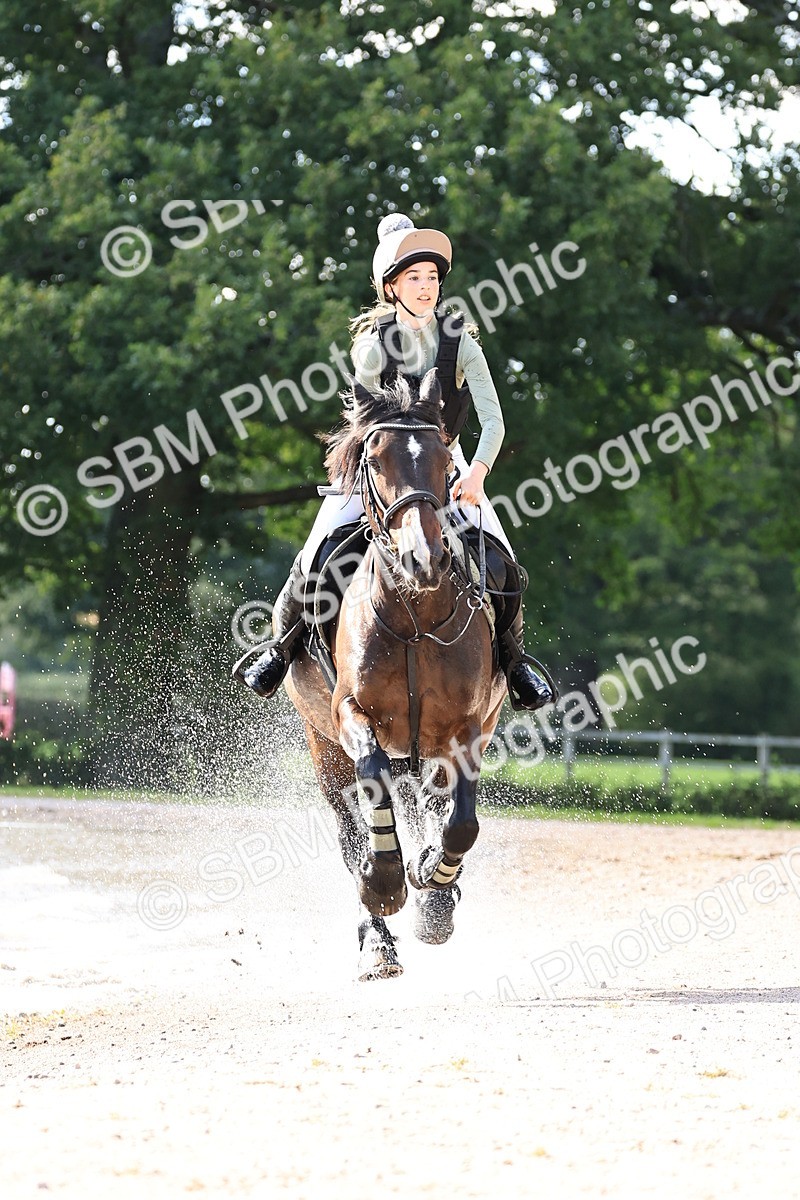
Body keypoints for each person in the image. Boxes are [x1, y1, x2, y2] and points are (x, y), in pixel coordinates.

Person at [239, 213, 555, 710]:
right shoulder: (371, 346)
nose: (427, 287)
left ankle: (514, 663)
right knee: (316, 554)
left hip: (449, 469)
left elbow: (494, 422)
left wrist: (477, 473)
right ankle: (282, 648)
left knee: (501, 561)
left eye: (432, 278)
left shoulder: (462, 343)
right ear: (391, 286)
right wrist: (368, 479)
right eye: (415, 278)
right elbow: (364, 425)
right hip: (381, 472)